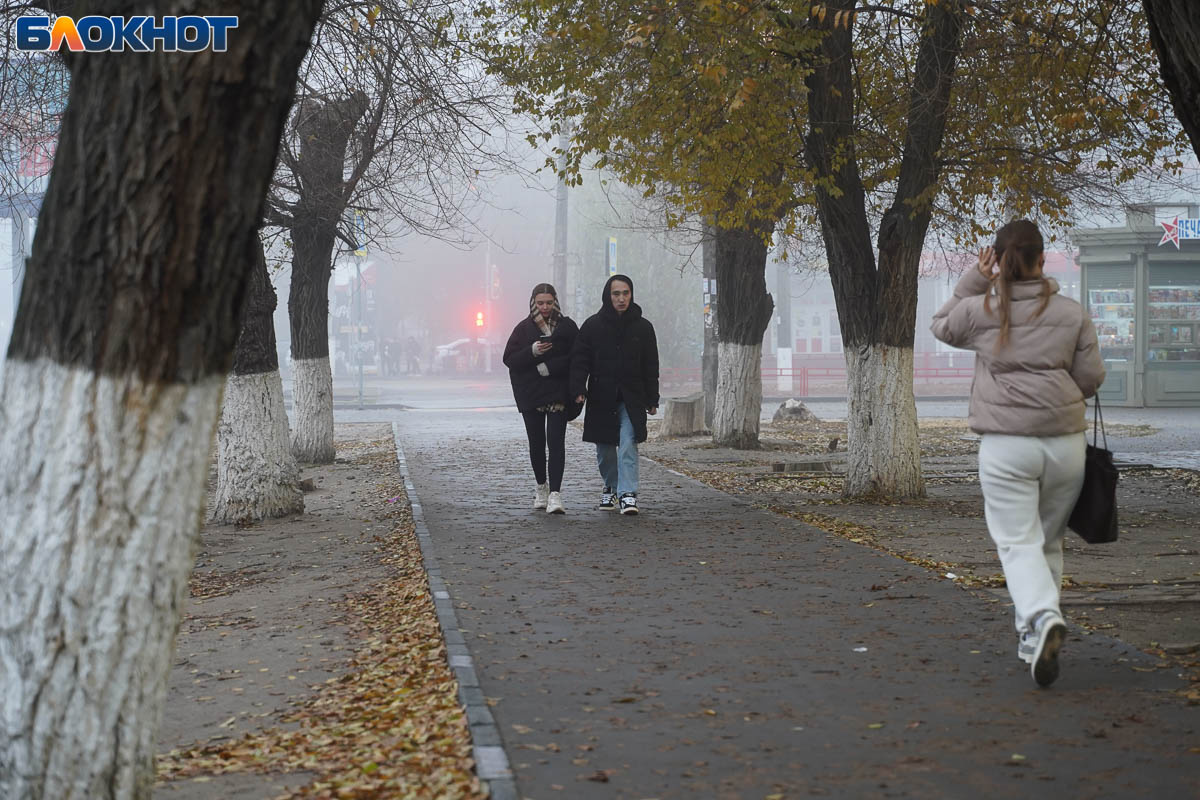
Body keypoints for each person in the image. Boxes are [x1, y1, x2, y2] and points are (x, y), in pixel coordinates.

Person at [931, 219, 1105, 688]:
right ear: (1042, 260)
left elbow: (941, 325)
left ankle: (1042, 615)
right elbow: (1091, 378)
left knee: (1016, 543)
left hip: (1007, 446)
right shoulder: (1071, 313)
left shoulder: (982, 309)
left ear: (998, 262)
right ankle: (1032, 640)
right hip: (1065, 444)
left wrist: (974, 279)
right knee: (1047, 541)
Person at [570, 274, 659, 515]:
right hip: (601, 397)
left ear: (631, 294)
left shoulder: (643, 327)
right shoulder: (592, 326)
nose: (621, 299)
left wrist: (652, 399)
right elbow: (580, 360)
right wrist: (579, 389)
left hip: (632, 398)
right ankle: (611, 485)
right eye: (616, 294)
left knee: (629, 443)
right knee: (605, 450)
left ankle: (628, 493)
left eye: (625, 293)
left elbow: (650, 365)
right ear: (608, 296)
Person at [503, 283, 581, 514]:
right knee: (536, 444)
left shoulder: (567, 328)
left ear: (555, 301)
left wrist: (552, 367)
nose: (545, 307)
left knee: (556, 443)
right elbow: (509, 359)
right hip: (532, 395)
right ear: (533, 303)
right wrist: (532, 352)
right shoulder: (523, 329)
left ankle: (555, 494)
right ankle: (541, 487)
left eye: (548, 302)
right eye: (540, 303)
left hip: (558, 394)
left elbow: (578, 358)